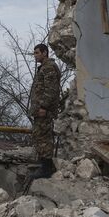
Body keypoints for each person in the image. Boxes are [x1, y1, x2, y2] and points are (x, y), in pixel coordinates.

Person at [29, 43, 61, 178]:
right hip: (39, 110)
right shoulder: (43, 67)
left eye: (37, 53)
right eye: (34, 53)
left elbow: (51, 89)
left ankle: (46, 169)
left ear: (45, 53)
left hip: (44, 110)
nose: (35, 56)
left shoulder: (49, 67)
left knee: (44, 137)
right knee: (39, 135)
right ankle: (44, 165)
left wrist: (43, 107)